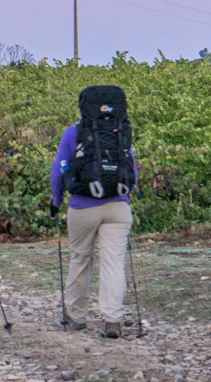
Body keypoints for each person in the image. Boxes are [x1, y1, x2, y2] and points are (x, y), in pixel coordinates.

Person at [50, 84, 138, 339]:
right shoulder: (120, 131)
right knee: (113, 262)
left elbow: (58, 171)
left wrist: (56, 202)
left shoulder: (73, 133)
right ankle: (113, 321)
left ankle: (76, 317)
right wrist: (125, 196)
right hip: (118, 206)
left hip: (83, 206)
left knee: (80, 258)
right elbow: (133, 170)